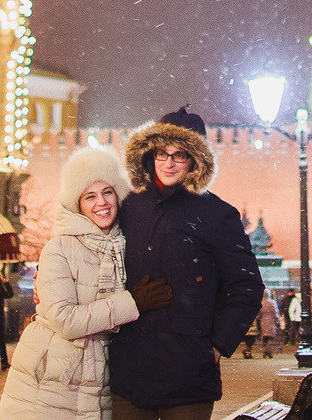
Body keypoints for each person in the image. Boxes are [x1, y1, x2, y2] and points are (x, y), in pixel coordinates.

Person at [107, 107, 263, 420]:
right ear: (150, 154)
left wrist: (217, 346)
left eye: (179, 155)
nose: (168, 163)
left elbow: (247, 286)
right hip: (129, 375)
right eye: (162, 153)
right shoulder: (129, 207)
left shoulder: (217, 215)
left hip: (188, 379)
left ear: (195, 159)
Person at [0, 147, 170, 420]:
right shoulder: (59, 249)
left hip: (101, 373)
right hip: (53, 375)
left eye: (108, 192)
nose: (101, 202)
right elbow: (66, 321)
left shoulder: (126, 246)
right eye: (90, 196)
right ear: (76, 204)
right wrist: (133, 303)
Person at [256, 289, 278, 359]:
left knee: (265, 337)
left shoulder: (261, 303)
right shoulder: (272, 303)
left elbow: (258, 314)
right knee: (269, 337)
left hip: (263, 321)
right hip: (271, 321)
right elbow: (275, 313)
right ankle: (268, 350)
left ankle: (266, 350)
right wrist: (278, 321)